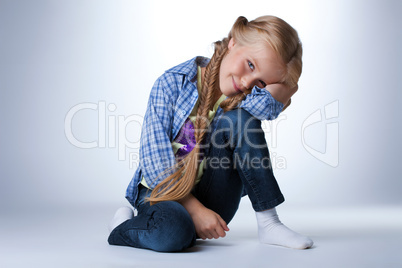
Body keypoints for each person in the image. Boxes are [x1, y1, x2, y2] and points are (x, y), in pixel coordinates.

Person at [108, 15, 313, 252]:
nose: (247, 83)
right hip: (162, 193)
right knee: (173, 232)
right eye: (250, 65)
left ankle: (269, 222)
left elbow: (267, 107)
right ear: (233, 42)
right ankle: (124, 225)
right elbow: (155, 163)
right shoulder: (172, 83)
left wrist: (287, 84)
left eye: (260, 83)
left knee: (240, 120)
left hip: (214, 198)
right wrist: (195, 210)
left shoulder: (243, 97)